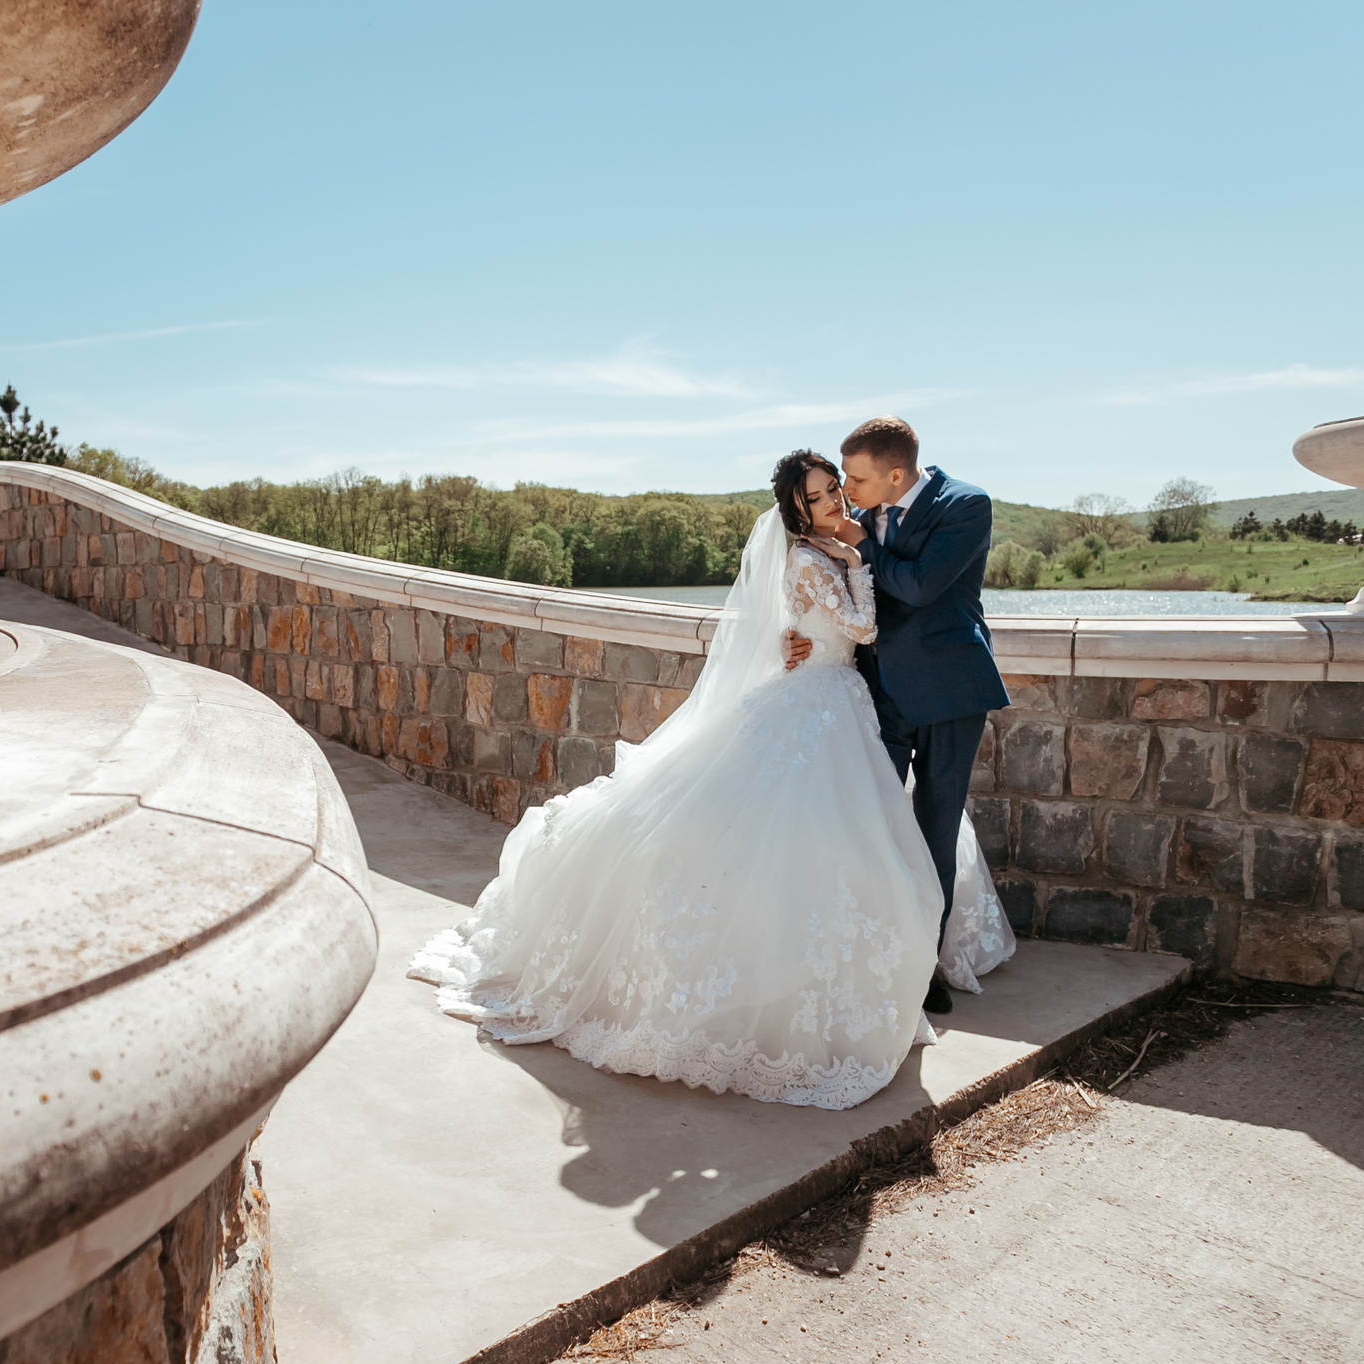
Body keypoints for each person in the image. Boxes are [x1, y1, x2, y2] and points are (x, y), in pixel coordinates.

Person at [408, 448, 1012, 1111]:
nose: (836, 499)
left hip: (847, 700)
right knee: (814, 840)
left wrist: (814, 607)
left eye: (836, 487)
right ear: (797, 509)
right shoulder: (819, 556)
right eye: (820, 494)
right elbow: (859, 622)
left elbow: (821, 619)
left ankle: (900, 962)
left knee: (874, 834)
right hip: (826, 703)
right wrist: (849, 566)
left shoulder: (870, 524)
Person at [784, 416, 1011, 1013]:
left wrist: (863, 547)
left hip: (950, 692)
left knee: (935, 828)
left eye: (854, 479)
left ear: (893, 473)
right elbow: (818, 590)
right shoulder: (858, 517)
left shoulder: (967, 505)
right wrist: (795, 637)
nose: (845, 492)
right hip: (875, 692)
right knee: (868, 819)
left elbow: (917, 585)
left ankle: (921, 970)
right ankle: (868, 952)